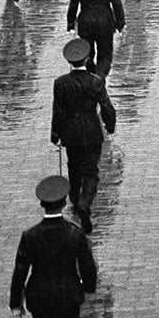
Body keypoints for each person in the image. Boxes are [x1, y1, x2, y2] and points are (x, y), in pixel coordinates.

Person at [8, 174, 98, 318]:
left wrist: (15, 302)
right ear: (64, 202)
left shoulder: (30, 236)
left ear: (42, 204)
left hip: (39, 298)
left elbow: (20, 270)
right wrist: (89, 287)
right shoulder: (74, 234)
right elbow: (87, 266)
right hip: (68, 296)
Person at [51, 37, 117, 234]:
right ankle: (85, 202)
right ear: (87, 59)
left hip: (70, 134)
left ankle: (73, 197)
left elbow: (58, 111)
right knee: (91, 171)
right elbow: (106, 106)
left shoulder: (60, 83)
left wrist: (55, 133)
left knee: (74, 166)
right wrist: (110, 125)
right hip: (91, 132)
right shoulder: (95, 82)